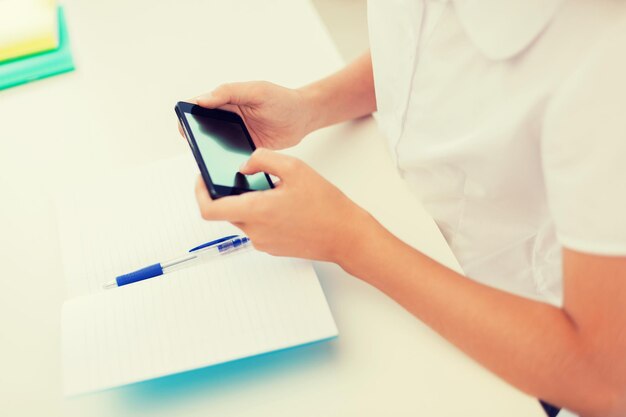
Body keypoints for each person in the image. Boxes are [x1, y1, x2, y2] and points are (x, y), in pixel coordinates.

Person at [181, 1, 626, 416]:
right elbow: (428, 47)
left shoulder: (606, 63)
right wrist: (310, 107)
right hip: (400, 239)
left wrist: (349, 240)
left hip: (515, 351)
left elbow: (603, 379)